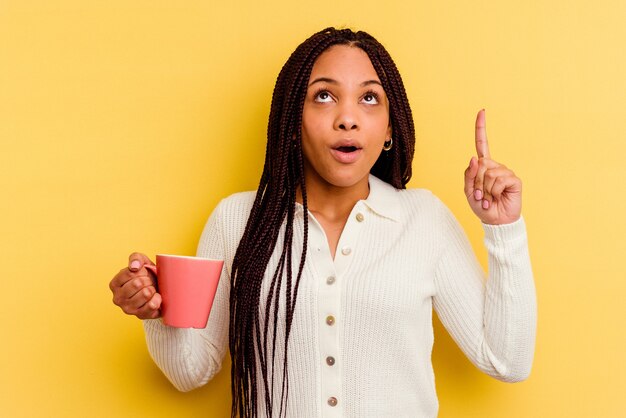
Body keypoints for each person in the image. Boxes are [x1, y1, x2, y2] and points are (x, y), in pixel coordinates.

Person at [109, 27, 536, 418]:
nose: (347, 117)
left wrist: (503, 229)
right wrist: (155, 311)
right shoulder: (238, 221)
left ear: (389, 129)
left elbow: (506, 360)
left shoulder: (423, 220)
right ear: (293, 123)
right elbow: (191, 372)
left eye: (369, 98)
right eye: (324, 96)